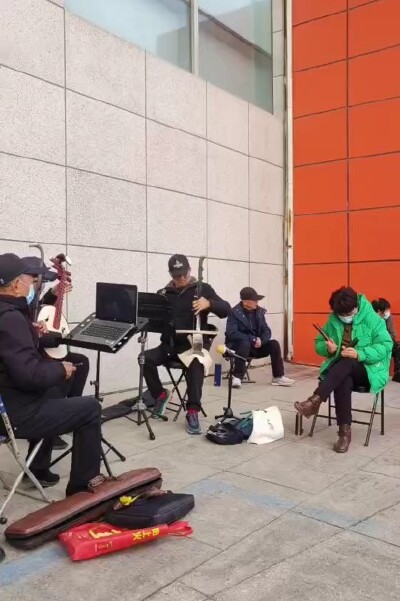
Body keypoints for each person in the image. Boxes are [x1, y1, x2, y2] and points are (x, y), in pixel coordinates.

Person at [0, 253, 101, 495]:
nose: (33, 285)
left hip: (8, 403)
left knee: (54, 393)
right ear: (16, 284)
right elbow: (30, 376)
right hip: (16, 414)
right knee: (90, 408)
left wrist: (31, 333)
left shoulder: (9, 314)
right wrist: (60, 368)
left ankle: (38, 468)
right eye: (31, 280)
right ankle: (81, 491)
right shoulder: (10, 319)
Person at [295, 287, 392, 453]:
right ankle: (344, 434)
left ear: (356, 307)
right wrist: (329, 349)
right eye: (341, 314)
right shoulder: (334, 319)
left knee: (347, 361)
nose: (345, 317)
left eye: (348, 313)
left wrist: (360, 354)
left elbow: (386, 346)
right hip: (341, 371)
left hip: (368, 370)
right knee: (343, 379)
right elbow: (319, 343)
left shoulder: (373, 319)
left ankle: (315, 400)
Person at [143, 254, 230, 435]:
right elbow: (155, 322)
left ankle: (192, 410)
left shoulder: (203, 289)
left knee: (196, 364)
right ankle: (160, 394)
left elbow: (226, 309)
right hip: (169, 346)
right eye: (177, 275)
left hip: (192, 346)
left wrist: (209, 303)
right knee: (144, 359)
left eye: (184, 274)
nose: (181, 278)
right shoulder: (164, 293)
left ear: (190, 270)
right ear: (171, 274)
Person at [22, 256, 90, 449]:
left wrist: (53, 293)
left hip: (45, 350)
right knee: (58, 376)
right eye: (37, 281)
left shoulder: (30, 296)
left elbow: (40, 309)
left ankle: (72, 411)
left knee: (80, 362)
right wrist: (57, 337)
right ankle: (51, 426)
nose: (39, 285)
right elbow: (27, 331)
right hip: (32, 356)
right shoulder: (14, 304)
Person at [225, 287, 294, 388]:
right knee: (244, 343)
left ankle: (278, 377)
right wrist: (252, 339)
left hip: (256, 347)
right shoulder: (234, 313)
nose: (257, 302)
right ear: (245, 302)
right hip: (238, 348)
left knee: (274, 344)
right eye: (254, 300)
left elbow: (267, 330)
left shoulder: (259, 312)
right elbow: (232, 333)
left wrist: (261, 340)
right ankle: (237, 377)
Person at [371, 297, 400, 383]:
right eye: (387, 310)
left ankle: (398, 374)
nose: (388, 312)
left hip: (386, 344)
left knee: (398, 347)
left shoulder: (388, 318)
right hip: (372, 346)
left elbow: (393, 336)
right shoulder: (369, 319)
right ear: (379, 311)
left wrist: (383, 339)